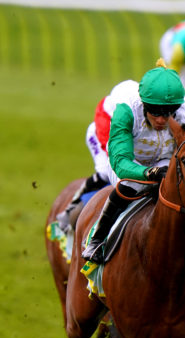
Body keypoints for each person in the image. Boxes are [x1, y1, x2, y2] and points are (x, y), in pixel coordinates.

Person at [82, 60, 185, 264]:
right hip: (127, 154)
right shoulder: (126, 110)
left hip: (162, 155)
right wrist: (147, 174)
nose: (162, 119)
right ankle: (97, 239)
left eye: (169, 112)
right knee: (131, 184)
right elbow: (120, 161)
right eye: (155, 111)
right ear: (144, 104)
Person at [55, 80, 139, 232]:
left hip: (126, 132)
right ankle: (70, 211)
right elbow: (119, 159)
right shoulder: (111, 118)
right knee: (106, 174)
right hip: (102, 135)